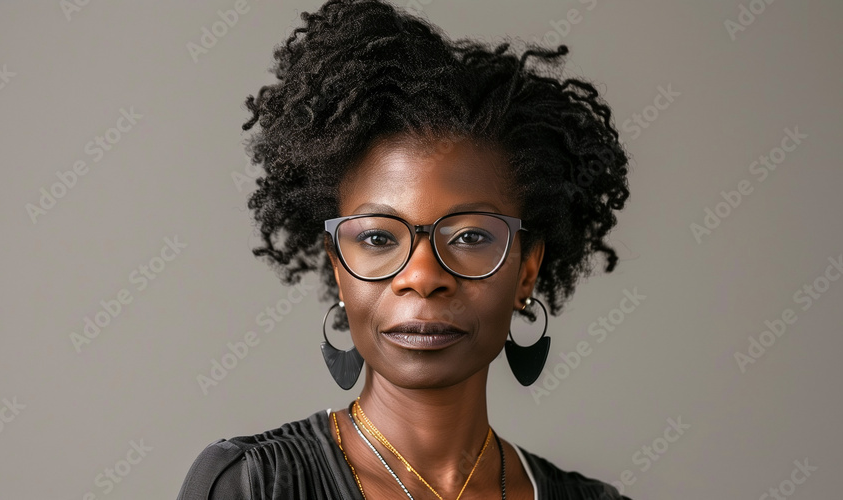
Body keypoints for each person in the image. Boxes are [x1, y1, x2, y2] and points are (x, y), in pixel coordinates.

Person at [179, 0, 633, 498]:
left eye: (470, 237)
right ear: (337, 268)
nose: (422, 275)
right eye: (377, 238)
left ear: (527, 269)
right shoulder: (253, 486)